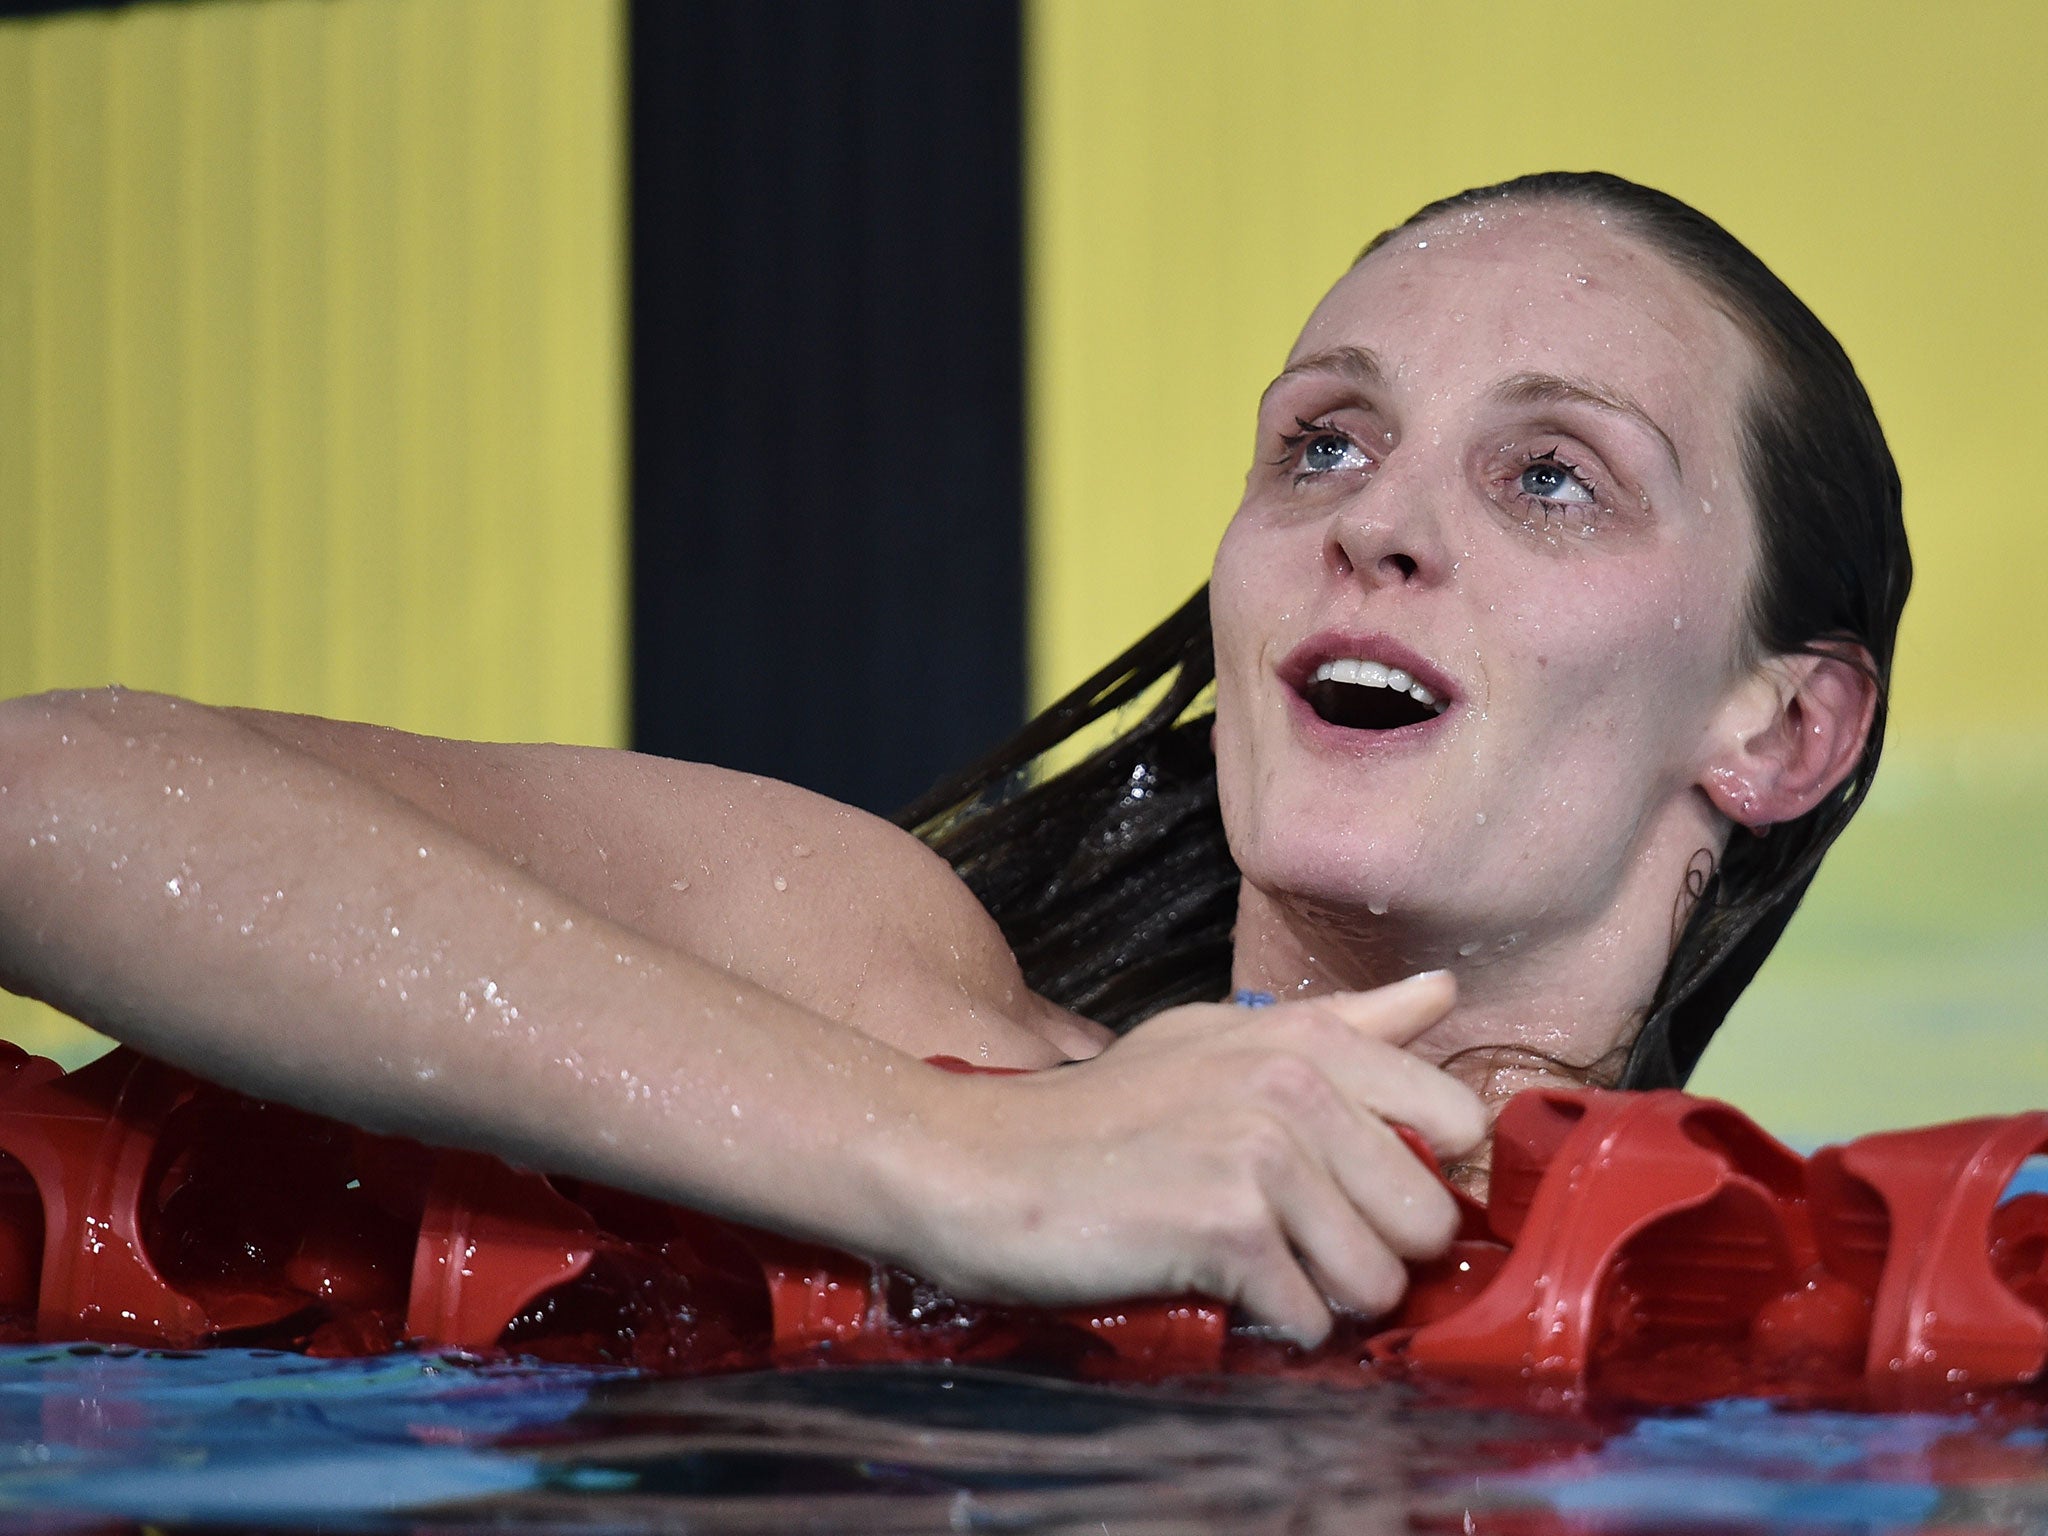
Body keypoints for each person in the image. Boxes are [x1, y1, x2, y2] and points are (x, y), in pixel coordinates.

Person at [0, 172, 1908, 1349]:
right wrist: (955, 1151)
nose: (1378, 526)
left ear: (1782, 729)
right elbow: (39, 799)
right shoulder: (877, 984)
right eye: (1323, 444)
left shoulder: (1803, 1318)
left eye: (1548, 477)